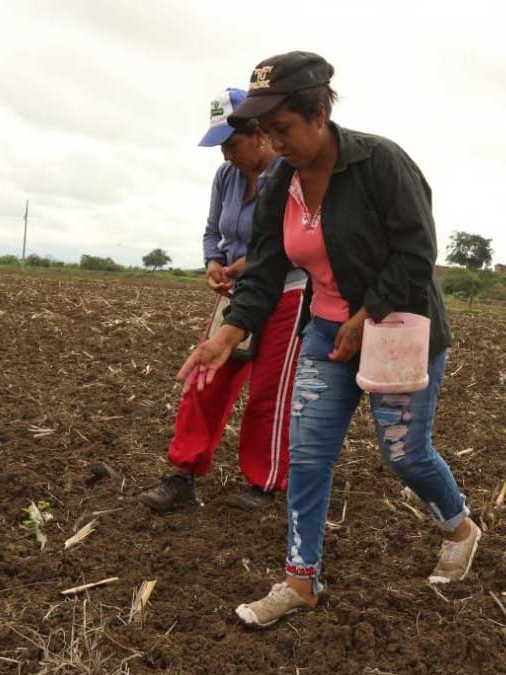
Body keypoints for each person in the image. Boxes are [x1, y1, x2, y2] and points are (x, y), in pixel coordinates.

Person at [181, 52, 481, 627]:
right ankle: (301, 580)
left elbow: (417, 253)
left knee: (404, 454)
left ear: (319, 113)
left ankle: (460, 527)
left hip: (398, 331)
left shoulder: (381, 164)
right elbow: (266, 272)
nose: (275, 142)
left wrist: (368, 313)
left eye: (283, 129)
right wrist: (230, 331)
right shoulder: (280, 185)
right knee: (309, 455)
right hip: (324, 334)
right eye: (266, 131)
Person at [138, 88, 307, 512]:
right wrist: (213, 260)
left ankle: (264, 483)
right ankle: (183, 472)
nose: (226, 155)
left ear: (261, 134)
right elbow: (213, 229)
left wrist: (248, 264)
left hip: (287, 291)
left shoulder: (292, 176)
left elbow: (295, 239)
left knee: (269, 390)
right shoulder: (226, 177)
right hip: (235, 295)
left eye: (232, 144)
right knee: (205, 378)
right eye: (220, 147)